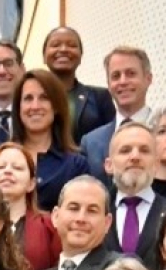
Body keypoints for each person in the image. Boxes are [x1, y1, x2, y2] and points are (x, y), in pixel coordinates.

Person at [9, 66, 87, 213]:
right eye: (28, 98)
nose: (35, 106)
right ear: (18, 107)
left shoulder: (76, 165)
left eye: (44, 98)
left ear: (57, 106)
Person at [0, 140, 60, 270]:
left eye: (17, 168)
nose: (7, 171)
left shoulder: (50, 225)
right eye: (0, 167)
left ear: (31, 183)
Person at [80, 46, 155, 176]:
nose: (123, 81)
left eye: (131, 74)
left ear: (148, 79)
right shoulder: (91, 142)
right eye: (116, 76)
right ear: (108, 85)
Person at [102, 122, 166, 263]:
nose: (135, 157)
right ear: (109, 165)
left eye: (144, 150)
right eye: (125, 150)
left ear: (156, 164)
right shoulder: (96, 213)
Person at [42, 25, 114, 142]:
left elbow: (112, 139)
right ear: (44, 56)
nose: (64, 49)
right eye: (55, 45)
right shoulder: (30, 98)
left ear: (80, 56)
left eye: (72, 45)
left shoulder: (100, 97)